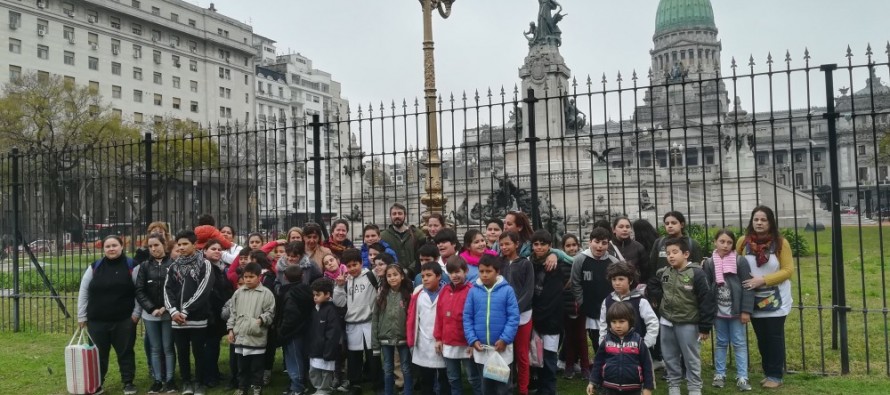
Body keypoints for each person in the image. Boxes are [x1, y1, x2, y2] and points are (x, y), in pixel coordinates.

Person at [646, 237, 715, 395]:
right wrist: (658, 297)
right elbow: (653, 283)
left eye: (674, 252)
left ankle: (694, 387)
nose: (670, 256)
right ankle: (674, 385)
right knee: (670, 356)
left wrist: (705, 327)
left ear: (686, 254)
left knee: (691, 357)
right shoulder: (665, 272)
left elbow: (706, 300)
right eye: (668, 253)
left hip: (688, 323)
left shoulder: (697, 274)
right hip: (666, 322)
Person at [737, 206, 793, 389]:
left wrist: (763, 280)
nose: (759, 223)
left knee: (774, 336)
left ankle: (775, 375)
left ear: (770, 222)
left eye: (763, 220)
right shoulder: (743, 243)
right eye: (756, 219)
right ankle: (768, 371)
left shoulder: (780, 243)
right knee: (761, 337)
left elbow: (788, 270)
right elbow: (735, 262)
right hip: (752, 299)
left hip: (776, 299)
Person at [77, 235, 139, 395]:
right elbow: (84, 291)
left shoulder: (131, 265)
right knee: (98, 354)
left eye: (114, 245)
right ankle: (97, 383)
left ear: (121, 247)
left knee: (125, 352)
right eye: (108, 246)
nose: (111, 249)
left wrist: (136, 313)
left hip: (124, 320)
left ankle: (128, 382)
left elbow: (140, 291)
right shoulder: (94, 267)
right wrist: (81, 316)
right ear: (103, 249)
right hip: (97, 320)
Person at [164, 230, 215, 395]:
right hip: (177, 320)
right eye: (179, 244)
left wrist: (185, 310)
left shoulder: (204, 264)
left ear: (194, 245)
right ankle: (186, 382)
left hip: (197, 318)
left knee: (199, 352)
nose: (181, 247)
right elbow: (167, 290)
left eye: (185, 244)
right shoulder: (173, 266)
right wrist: (173, 311)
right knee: (182, 353)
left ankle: (199, 382)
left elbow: (203, 290)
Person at [702, 229, 754, 391]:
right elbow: (706, 288)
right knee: (721, 342)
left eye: (729, 242)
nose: (725, 245)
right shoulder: (710, 263)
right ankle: (720, 374)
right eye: (722, 242)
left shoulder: (740, 262)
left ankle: (742, 376)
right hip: (718, 312)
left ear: (733, 244)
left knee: (739, 342)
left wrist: (746, 310)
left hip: (736, 311)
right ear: (715, 242)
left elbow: (748, 287)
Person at [463, 254, 520, 395]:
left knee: (503, 388)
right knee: (486, 387)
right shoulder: (473, 291)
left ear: (497, 272)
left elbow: (513, 317)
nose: (484, 275)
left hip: (501, 350)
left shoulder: (507, 291)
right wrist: (472, 339)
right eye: (481, 271)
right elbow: (467, 317)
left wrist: (505, 339)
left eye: (488, 271)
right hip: (482, 349)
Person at [333, 248, 382, 395]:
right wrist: (339, 287)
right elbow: (339, 303)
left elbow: (383, 272)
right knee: (354, 357)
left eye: (355, 264)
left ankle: (378, 383)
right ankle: (355, 384)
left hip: (369, 322)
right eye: (349, 266)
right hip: (353, 324)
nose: (352, 268)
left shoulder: (371, 276)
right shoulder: (345, 282)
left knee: (373, 356)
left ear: (361, 263)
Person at [226, 262, 276, 395]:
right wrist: (231, 329)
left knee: (256, 367)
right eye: (246, 276)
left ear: (259, 277)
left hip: (256, 337)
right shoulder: (238, 293)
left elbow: (270, 313)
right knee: (241, 366)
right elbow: (233, 313)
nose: (248, 279)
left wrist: (260, 320)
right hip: (240, 337)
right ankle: (242, 387)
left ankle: (257, 387)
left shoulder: (266, 294)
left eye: (251, 276)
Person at [435, 256, 482, 395]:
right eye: (451, 272)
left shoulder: (472, 290)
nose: (454, 276)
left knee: (473, 378)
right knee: (453, 378)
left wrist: (473, 341)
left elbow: (476, 317)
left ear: (466, 271)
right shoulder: (444, 290)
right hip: (448, 343)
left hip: (466, 343)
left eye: (457, 272)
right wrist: (438, 338)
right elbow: (439, 316)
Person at [135, 233, 177, 393]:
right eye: (150, 246)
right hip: (150, 314)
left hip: (168, 313)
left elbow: (176, 289)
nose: (153, 249)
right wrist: (152, 308)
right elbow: (139, 290)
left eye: (156, 245)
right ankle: (158, 380)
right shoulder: (144, 266)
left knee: (168, 347)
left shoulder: (173, 264)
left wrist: (166, 307)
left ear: (163, 245)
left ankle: (170, 379)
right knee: (155, 348)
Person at [586, 302, 655, 395]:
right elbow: (598, 363)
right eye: (614, 322)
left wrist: (648, 387)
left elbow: (647, 365)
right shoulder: (606, 341)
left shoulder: (638, 342)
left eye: (621, 321)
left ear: (630, 321)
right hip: (608, 388)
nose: (617, 325)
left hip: (633, 389)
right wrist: (593, 382)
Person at [497, 231, 535, 395]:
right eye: (502, 244)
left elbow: (528, 291)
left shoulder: (526, 264)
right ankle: (507, 387)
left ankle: (523, 389)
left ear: (516, 244)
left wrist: (514, 310)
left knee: (521, 355)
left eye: (507, 244)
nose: (504, 247)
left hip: (522, 316)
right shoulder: (499, 264)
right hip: (502, 317)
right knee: (505, 354)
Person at [572, 227, 620, 352]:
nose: (600, 246)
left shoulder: (613, 262)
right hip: (590, 308)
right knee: (595, 339)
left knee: (612, 338)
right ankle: (600, 364)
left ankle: (611, 363)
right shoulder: (580, 260)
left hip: (610, 308)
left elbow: (619, 283)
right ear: (590, 242)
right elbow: (575, 282)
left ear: (608, 244)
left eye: (604, 243)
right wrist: (581, 301)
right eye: (596, 242)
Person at [529, 230, 565, 395]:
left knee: (549, 358)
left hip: (550, 319)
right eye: (536, 244)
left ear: (550, 246)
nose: (539, 247)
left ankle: (549, 390)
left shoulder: (555, 266)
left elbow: (553, 295)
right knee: (535, 356)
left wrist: (537, 315)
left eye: (543, 244)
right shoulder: (529, 263)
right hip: (533, 318)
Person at [407, 261, 450, 395]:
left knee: (444, 378)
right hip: (423, 343)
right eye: (423, 275)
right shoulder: (418, 293)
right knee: (426, 379)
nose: (425, 278)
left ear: (439, 276)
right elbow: (413, 317)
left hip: (443, 342)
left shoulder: (448, 292)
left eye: (429, 275)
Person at [597, 261, 659, 350]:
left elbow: (652, 322)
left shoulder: (640, 301)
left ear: (630, 280)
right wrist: (602, 343)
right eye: (614, 279)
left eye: (621, 279)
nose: (617, 283)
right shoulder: (607, 300)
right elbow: (603, 324)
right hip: (614, 349)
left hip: (636, 349)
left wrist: (646, 344)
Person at [373, 264, 414, 395]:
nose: (392, 278)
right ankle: (388, 392)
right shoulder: (381, 296)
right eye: (389, 276)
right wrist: (375, 343)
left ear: (402, 276)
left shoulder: (408, 296)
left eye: (395, 275)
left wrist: (410, 338)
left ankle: (408, 392)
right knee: (388, 368)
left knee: (406, 368)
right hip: (385, 338)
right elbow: (375, 320)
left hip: (403, 338)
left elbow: (412, 319)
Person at [277, 265, 315, 395]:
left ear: (285, 277)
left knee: (294, 360)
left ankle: (297, 387)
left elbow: (290, 316)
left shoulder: (287, 293)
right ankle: (303, 382)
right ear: (303, 276)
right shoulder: (309, 290)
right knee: (304, 358)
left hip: (292, 332)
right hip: (307, 329)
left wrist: (282, 331)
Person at [203, 239, 234, 388]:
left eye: (219, 249)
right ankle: (209, 376)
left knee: (214, 345)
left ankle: (214, 372)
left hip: (218, 312)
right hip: (210, 313)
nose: (217, 251)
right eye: (213, 249)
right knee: (210, 345)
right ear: (205, 251)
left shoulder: (220, 267)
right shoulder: (206, 267)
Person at [308, 278, 343, 395]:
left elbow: (333, 333)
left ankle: (325, 390)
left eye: (318, 295)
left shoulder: (331, 310)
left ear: (327, 294)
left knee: (326, 372)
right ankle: (318, 388)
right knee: (314, 371)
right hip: (315, 348)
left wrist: (329, 351)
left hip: (326, 350)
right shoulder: (314, 309)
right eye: (314, 295)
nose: (315, 297)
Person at [380, 203, 427, 280]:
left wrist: (409, 270)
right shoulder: (383, 236)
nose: (397, 216)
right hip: (393, 277)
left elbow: (422, 255)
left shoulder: (417, 234)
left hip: (415, 275)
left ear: (405, 215)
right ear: (390, 216)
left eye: (400, 213)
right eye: (394, 214)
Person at [557, 233, 581, 377]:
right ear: (563, 248)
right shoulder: (560, 263)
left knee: (579, 335)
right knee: (566, 335)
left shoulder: (583, 260)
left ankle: (574, 360)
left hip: (578, 303)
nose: (572, 248)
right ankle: (563, 359)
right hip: (565, 304)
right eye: (568, 246)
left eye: (574, 245)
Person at [649, 211, 702, 276]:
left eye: (673, 223)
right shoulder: (659, 242)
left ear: (682, 225)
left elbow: (697, 267)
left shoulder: (692, 244)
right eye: (667, 223)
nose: (670, 226)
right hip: (662, 282)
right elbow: (652, 266)